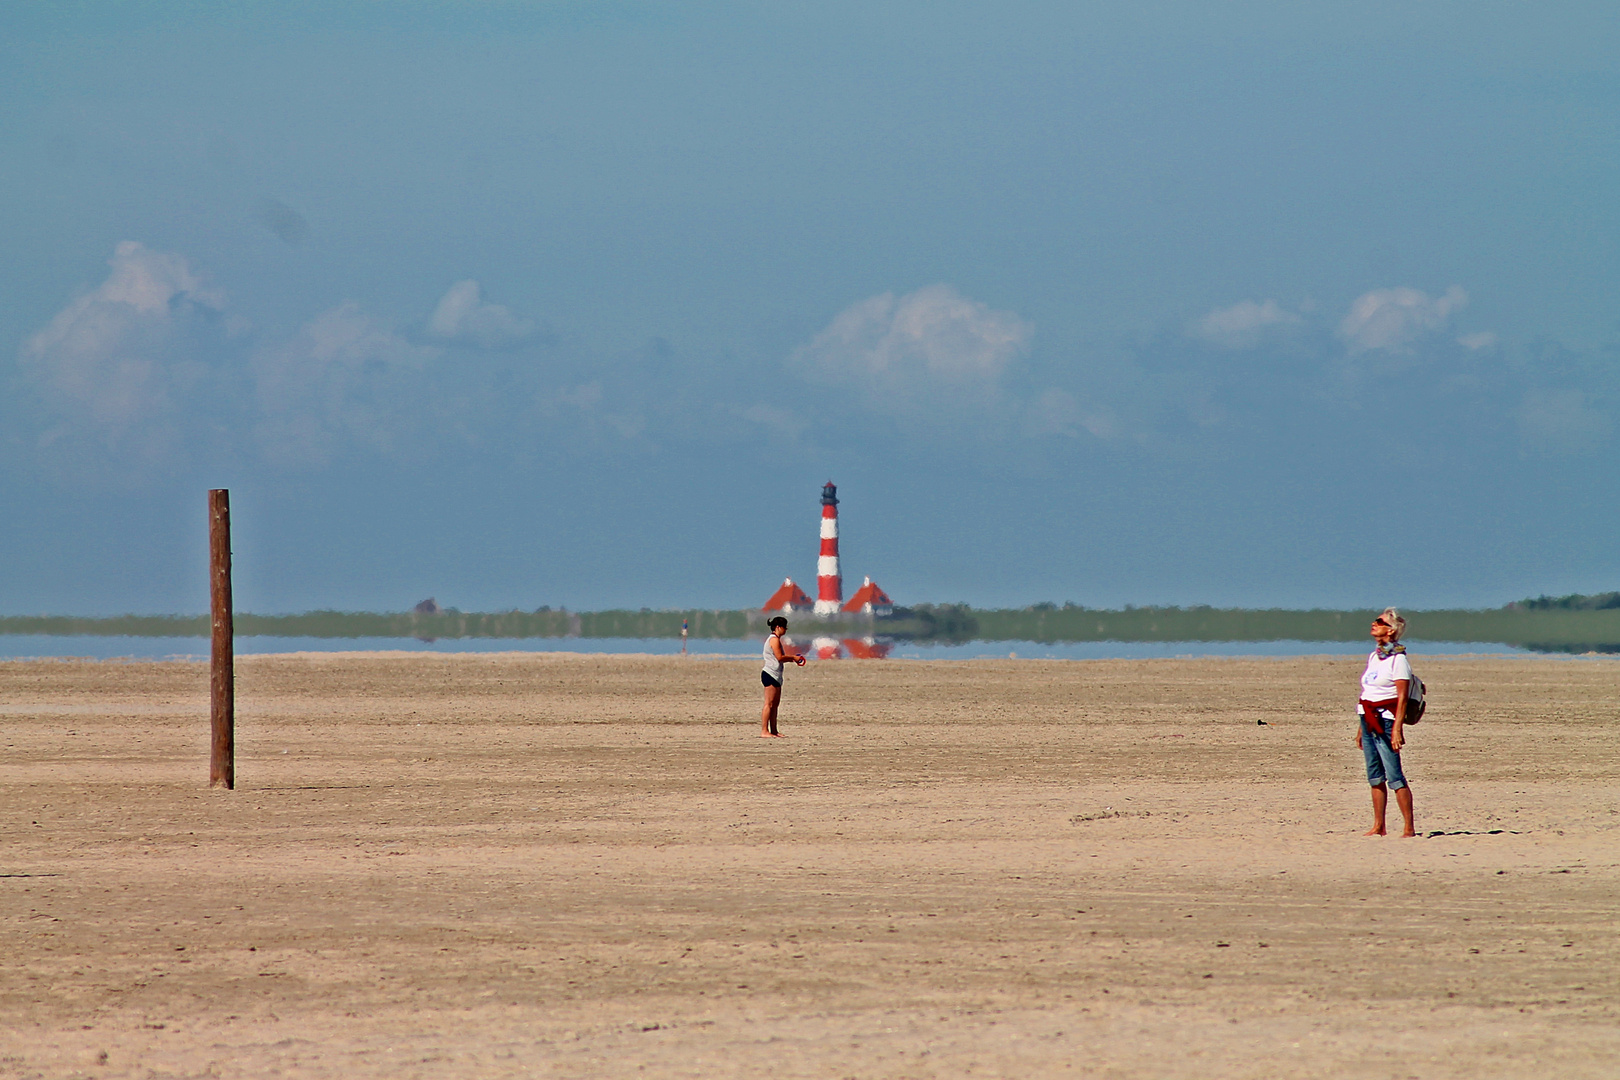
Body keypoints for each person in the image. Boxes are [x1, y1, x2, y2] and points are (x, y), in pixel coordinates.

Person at [1356, 607, 1416, 836]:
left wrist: (1397, 729)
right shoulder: (1375, 656)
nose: (1374, 624)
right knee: (1374, 775)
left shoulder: (1398, 659)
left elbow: (1402, 697)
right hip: (1367, 718)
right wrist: (1360, 728)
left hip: (1387, 720)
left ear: (1390, 631)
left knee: (1394, 775)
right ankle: (1379, 825)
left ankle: (1408, 827)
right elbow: (1367, 691)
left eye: (1379, 622)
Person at [760, 616, 805, 738]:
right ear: (778, 627)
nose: (785, 630)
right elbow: (779, 657)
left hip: (777, 675)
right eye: (785, 627)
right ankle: (764, 730)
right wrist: (793, 658)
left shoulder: (776, 640)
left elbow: (780, 658)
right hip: (770, 673)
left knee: (775, 704)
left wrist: (792, 659)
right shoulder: (773, 639)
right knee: (768, 703)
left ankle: (774, 730)